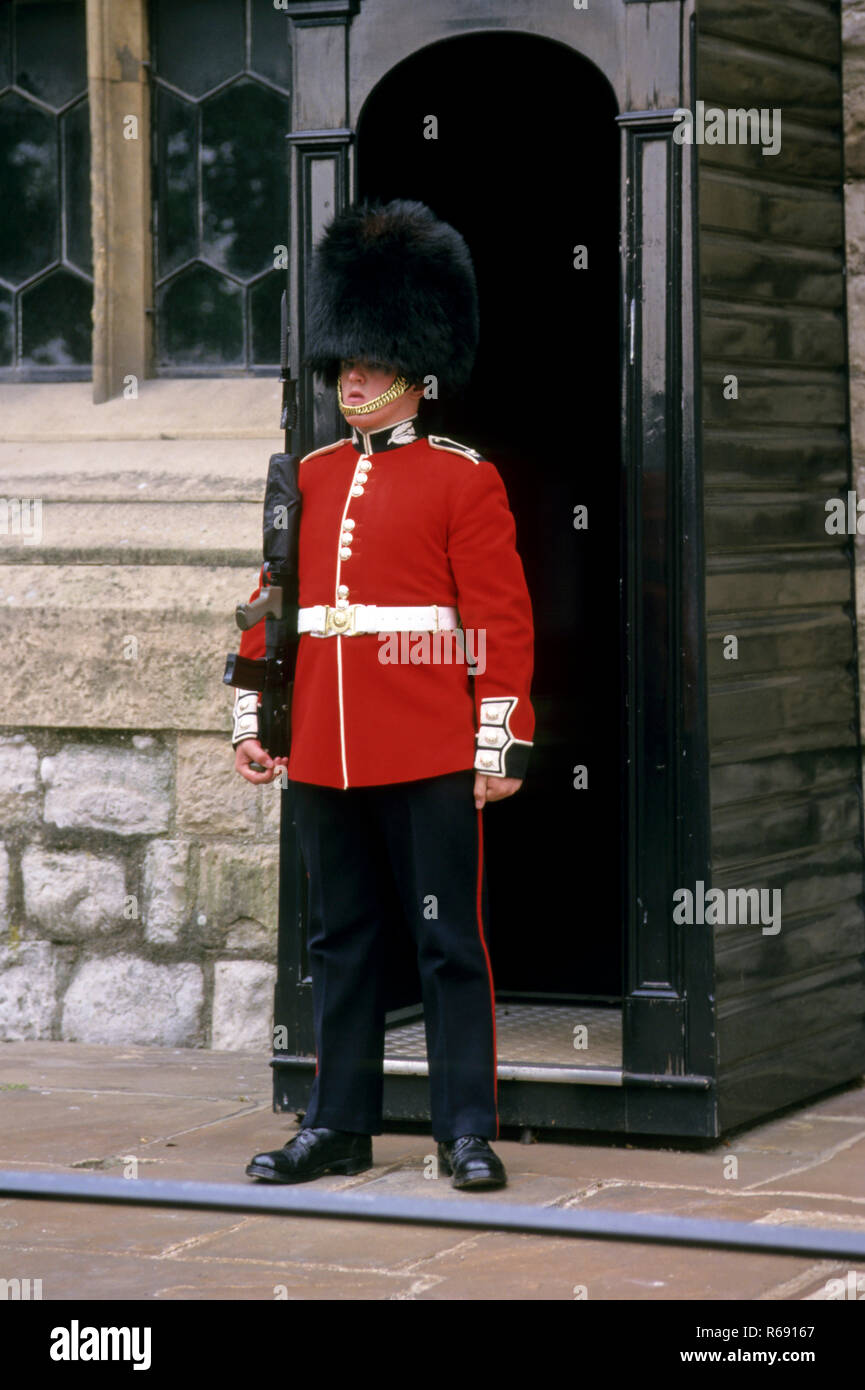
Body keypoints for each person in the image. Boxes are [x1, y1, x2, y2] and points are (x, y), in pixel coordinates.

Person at [232, 200, 535, 1189]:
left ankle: (462, 1130)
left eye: (367, 363)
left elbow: (496, 620)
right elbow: (270, 606)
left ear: (414, 368)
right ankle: (339, 1124)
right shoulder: (308, 476)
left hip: (429, 746)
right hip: (323, 744)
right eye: (341, 364)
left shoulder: (464, 480)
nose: (349, 378)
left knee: (446, 940)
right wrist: (254, 719)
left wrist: (496, 741)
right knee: (341, 941)